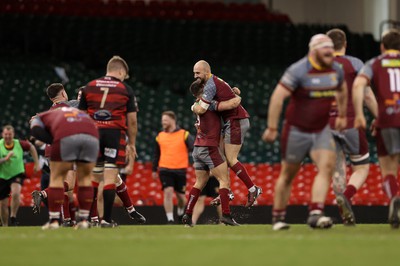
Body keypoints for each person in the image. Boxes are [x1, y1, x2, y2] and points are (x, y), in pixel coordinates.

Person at [262, 34, 348, 230]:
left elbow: (342, 89)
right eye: (324, 49)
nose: (329, 52)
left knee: (326, 167)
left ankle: (316, 214)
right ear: (313, 51)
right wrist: (272, 127)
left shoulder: (336, 70)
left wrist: (342, 115)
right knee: (288, 174)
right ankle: (278, 217)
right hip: (296, 131)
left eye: (330, 48)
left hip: (321, 129)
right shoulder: (298, 70)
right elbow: (277, 97)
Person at [79, 55, 145, 227]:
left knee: (93, 178)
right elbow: (132, 121)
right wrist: (132, 143)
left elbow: (81, 116)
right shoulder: (125, 89)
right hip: (114, 134)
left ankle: (86, 218)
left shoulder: (89, 86)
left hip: (93, 134)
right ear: (121, 71)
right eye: (125, 75)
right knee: (110, 177)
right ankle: (106, 220)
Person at [192, 60, 262, 207]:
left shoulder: (210, 86)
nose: (195, 76)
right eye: (194, 73)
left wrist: (194, 107)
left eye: (197, 73)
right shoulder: (215, 81)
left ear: (206, 71)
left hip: (235, 120)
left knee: (231, 159)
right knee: (222, 159)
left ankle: (253, 188)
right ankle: (227, 191)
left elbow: (202, 109)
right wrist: (235, 94)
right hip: (233, 120)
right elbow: (231, 95)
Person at [326, 28, 378, 225]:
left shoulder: (319, 64)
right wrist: (378, 117)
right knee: (362, 168)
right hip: (350, 122)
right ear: (345, 44)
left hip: (326, 125)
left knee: (338, 169)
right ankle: (347, 196)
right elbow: (366, 95)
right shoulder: (355, 64)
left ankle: (343, 212)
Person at [353, 28, 400, 229]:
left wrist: (360, 114)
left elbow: (358, 86)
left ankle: (394, 199)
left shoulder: (375, 63)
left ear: (382, 46)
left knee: (388, 170)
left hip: (387, 120)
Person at [182, 79, 241, 226]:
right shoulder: (208, 105)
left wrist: (231, 91)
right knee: (224, 180)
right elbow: (231, 104)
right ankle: (226, 215)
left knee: (200, 182)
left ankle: (187, 215)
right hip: (209, 146)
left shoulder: (197, 105)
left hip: (197, 147)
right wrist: (237, 96)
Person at [30, 107, 99, 229]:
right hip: (92, 136)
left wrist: (52, 140)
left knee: (57, 179)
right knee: (85, 179)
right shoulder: (81, 114)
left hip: (66, 138)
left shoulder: (43, 117)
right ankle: (83, 220)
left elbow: (35, 131)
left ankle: (54, 221)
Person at [31, 83, 78, 226]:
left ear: (51, 99)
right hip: (67, 149)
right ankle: (43, 194)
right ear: (63, 94)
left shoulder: (48, 113)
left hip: (51, 151)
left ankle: (67, 220)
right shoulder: (71, 107)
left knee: (59, 183)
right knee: (68, 185)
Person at [152, 111, 194, 224]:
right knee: (168, 192)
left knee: (181, 197)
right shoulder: (160, 136)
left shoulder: (184, 134)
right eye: (162, 120)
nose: (163, 122)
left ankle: (180, 212)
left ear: (172, 120)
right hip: (164, 169)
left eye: (165, 120)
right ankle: (170, 219)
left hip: (180, 169)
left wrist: (195, 162)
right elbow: (156, 154)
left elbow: (194, 149)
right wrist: (154, 169)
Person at [0, 125, 40, 226]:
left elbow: (31, 147)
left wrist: (36, 163)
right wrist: (6, 159)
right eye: (6, 134)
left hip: (16, 173)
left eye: (10, 134)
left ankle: (13, 217)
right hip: (2, 176)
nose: (8, 136)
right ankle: (5, 225)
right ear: (2, 135)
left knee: (16, 193)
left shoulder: (20, 144)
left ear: (13, 135)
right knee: (2, 204)